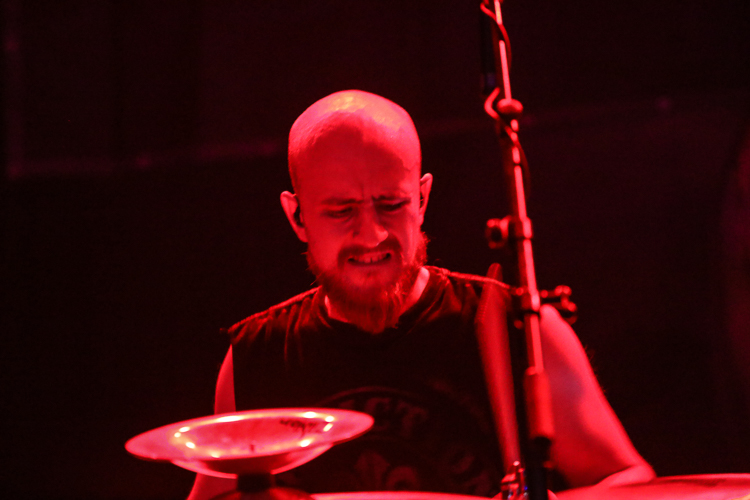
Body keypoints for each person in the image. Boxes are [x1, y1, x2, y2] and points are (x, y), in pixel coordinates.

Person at [188, 90, 655, 500]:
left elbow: (629, 480)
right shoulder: (257, 357)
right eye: (341, 211)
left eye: (391, 204)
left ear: (423, 198)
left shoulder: (520, 328)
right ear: (297, 217)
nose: (372, 234)